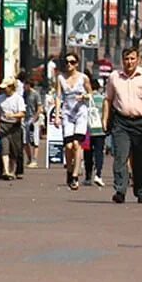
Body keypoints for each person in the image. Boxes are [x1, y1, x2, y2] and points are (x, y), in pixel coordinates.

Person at [103, 47, 142, 204]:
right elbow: (108, 99)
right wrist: (105, 119)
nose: (129, 62)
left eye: (132, 59)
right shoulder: (114, 77)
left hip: (141, 122)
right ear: (122, 60)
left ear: (138, 59)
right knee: (120, 156)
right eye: (126, 59)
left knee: (140, 158)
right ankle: (120, 190)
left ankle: (141, 190)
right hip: (121, 121)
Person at [53, 53, 91, 190]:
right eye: (66, 62)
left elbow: (91, 93)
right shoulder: (61, 78)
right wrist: (57, 115)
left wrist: (84, 96)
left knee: (77, 144)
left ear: (77, 63)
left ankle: (75, 175)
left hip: (81, 112)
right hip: (67, 113)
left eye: (72, 62)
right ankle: (69, 170)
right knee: (68, 146)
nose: (69, 65)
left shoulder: (83, 78)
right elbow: (58, 96)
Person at [0, 76, 25, 180]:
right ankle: (6, 171)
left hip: (15, 126)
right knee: (4, 148)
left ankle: (12, 171)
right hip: (3, 125)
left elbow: (22, 113)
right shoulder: (0, 98)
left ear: (11, 87)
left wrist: (13, 115)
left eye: (6, 87)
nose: (4, 89)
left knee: (14, 151)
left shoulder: (18, 98)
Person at [83, 76, 106, 187]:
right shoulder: (103, 99)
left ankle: (88, 176)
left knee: (87, 153)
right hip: (100, 130)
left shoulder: (86, 99)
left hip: (87, 130)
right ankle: (99, 174)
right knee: (99, 153)